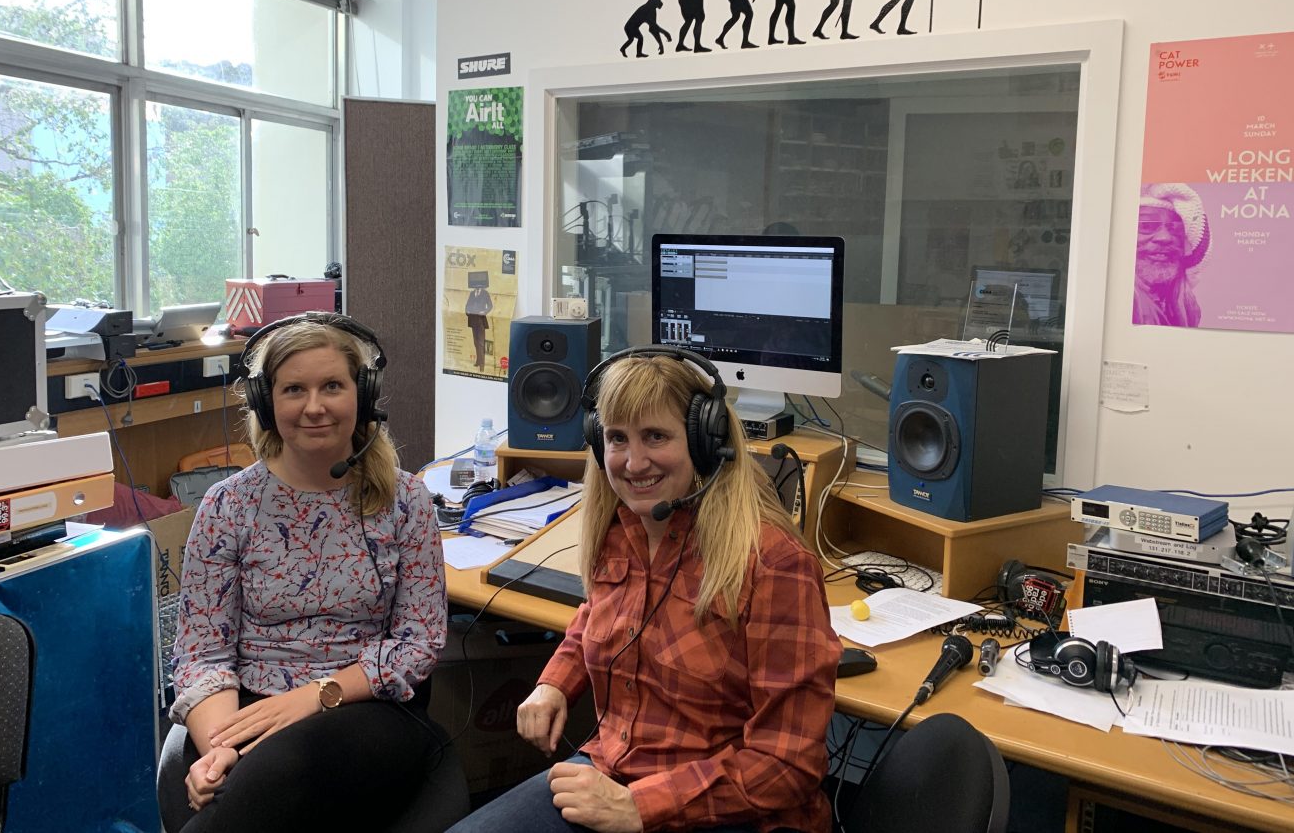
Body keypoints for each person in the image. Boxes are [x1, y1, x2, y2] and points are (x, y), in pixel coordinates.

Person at [448, 348, 841, 833]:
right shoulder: (620, 528)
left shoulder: (774, 564)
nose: (633, 462)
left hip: (727, 810)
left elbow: (788, 764)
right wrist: (555, 682)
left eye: (656, 436)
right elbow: (595, 614)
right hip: (612, 777)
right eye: (616, 439)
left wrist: (640, 806)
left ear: (704, 440)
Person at [162, 313, 448, 832]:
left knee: (281, 766)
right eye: (294, 389)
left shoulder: (406, 501)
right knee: (244, 779)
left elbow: (419, 641)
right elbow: (203, 650)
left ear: (362, 394)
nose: (314, 406)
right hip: (246, 708)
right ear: (267, 404)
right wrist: (218, 748)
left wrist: (316, 697)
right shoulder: (228, 506)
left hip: (366, 709)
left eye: (332, 386)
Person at [1133, 182, 1210, 327]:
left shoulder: (1185, 305)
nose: (1165, 237)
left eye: (1175, 229)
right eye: (1146, 226)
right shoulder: (1124, 299)